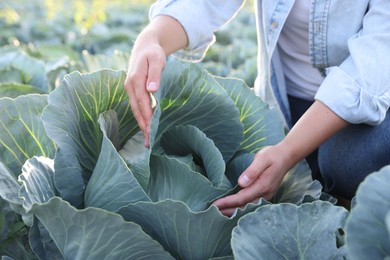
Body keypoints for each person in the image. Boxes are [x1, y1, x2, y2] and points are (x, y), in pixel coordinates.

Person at [124, 0, 390, 216]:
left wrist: (287, 152)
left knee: (346, 163)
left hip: (375, 105)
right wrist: (153, 38)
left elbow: (367, 72)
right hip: (284, 103)